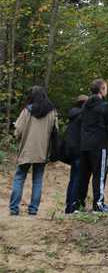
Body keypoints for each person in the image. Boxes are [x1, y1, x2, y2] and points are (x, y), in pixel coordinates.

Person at [9, 86, 58, 216]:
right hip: (42, 152)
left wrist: (18, 135)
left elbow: (17, 131)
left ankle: (14, 208)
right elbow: (55, 132)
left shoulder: (26, 111)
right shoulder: (52, 112)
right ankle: (33, 209)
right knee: (37, 180)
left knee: (19, 178)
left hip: (26, 150)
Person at [77, 78, 108, 212]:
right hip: (99, 144)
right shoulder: (103, 106)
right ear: (102, 90)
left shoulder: (84, 106)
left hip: (84, 144)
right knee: (99, 175)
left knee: (83, 175)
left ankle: (78, 204)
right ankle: (98, 204)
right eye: (106, 88)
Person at [63, 95, 88, 214]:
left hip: (71, 150)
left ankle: (69, 206)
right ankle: (74, 207)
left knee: (73, 178)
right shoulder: (83, 116)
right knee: (78, 178)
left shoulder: (73, 115)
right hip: (80, 149)